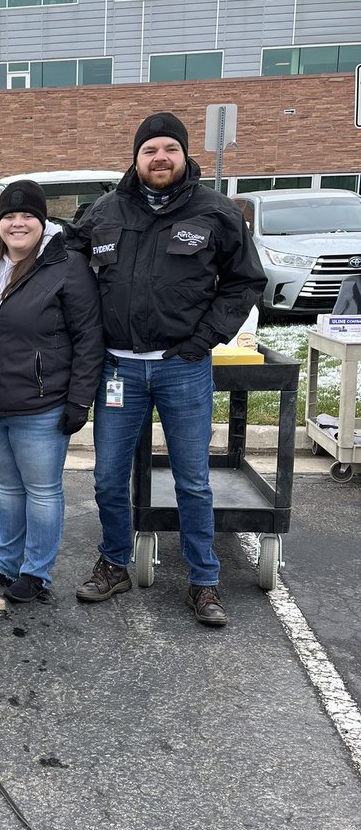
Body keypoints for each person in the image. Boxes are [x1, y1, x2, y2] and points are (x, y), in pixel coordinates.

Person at [67, 112, 267, 627]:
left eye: (169, 149)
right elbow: (63, 263)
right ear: (135, 158)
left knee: (192, 481)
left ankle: (204, 582)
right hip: (119, 371)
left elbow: (245, 282)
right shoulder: (105, 212)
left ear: (183, 155)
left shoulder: (217, 212)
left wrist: (204, 339)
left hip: (183, 368)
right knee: (109, 476)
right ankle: (114, 563)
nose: (160, 158)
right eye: (150, 150)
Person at [0, 180, 105, 604]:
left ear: (42, 221)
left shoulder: (66, 265)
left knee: (41, 490)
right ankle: (5, 563)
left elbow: (88, 337)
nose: (17, 223)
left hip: (41, 404)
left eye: (27, 216)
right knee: (6, 486)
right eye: (9, 215)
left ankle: (36, 570)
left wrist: (80, 399)